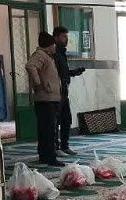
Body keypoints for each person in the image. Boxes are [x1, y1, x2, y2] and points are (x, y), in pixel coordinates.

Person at [25, 32, 64, 167]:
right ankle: (50, 157)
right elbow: (30, 66)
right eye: (53, 45)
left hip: (50, 98)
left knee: (46, 129)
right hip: (46, 99)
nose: (55, 47)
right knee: (48, 130)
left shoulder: (47, 56)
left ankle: (45, 156)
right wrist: (38, 83)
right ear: (49, 45)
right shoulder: (41, 55)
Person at [53, 26, 86, 156]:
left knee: (66, 120)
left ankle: (65, 146)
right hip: (56, 92)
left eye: (67, 37)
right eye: (63, 37)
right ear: (56, 37)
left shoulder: (62, 53)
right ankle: (56, 148)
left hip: (64, 91)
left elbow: (64, 72)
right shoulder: (54, 53)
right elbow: (55, 73)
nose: (66, 39)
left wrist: (73, 72)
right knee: (55, 122)